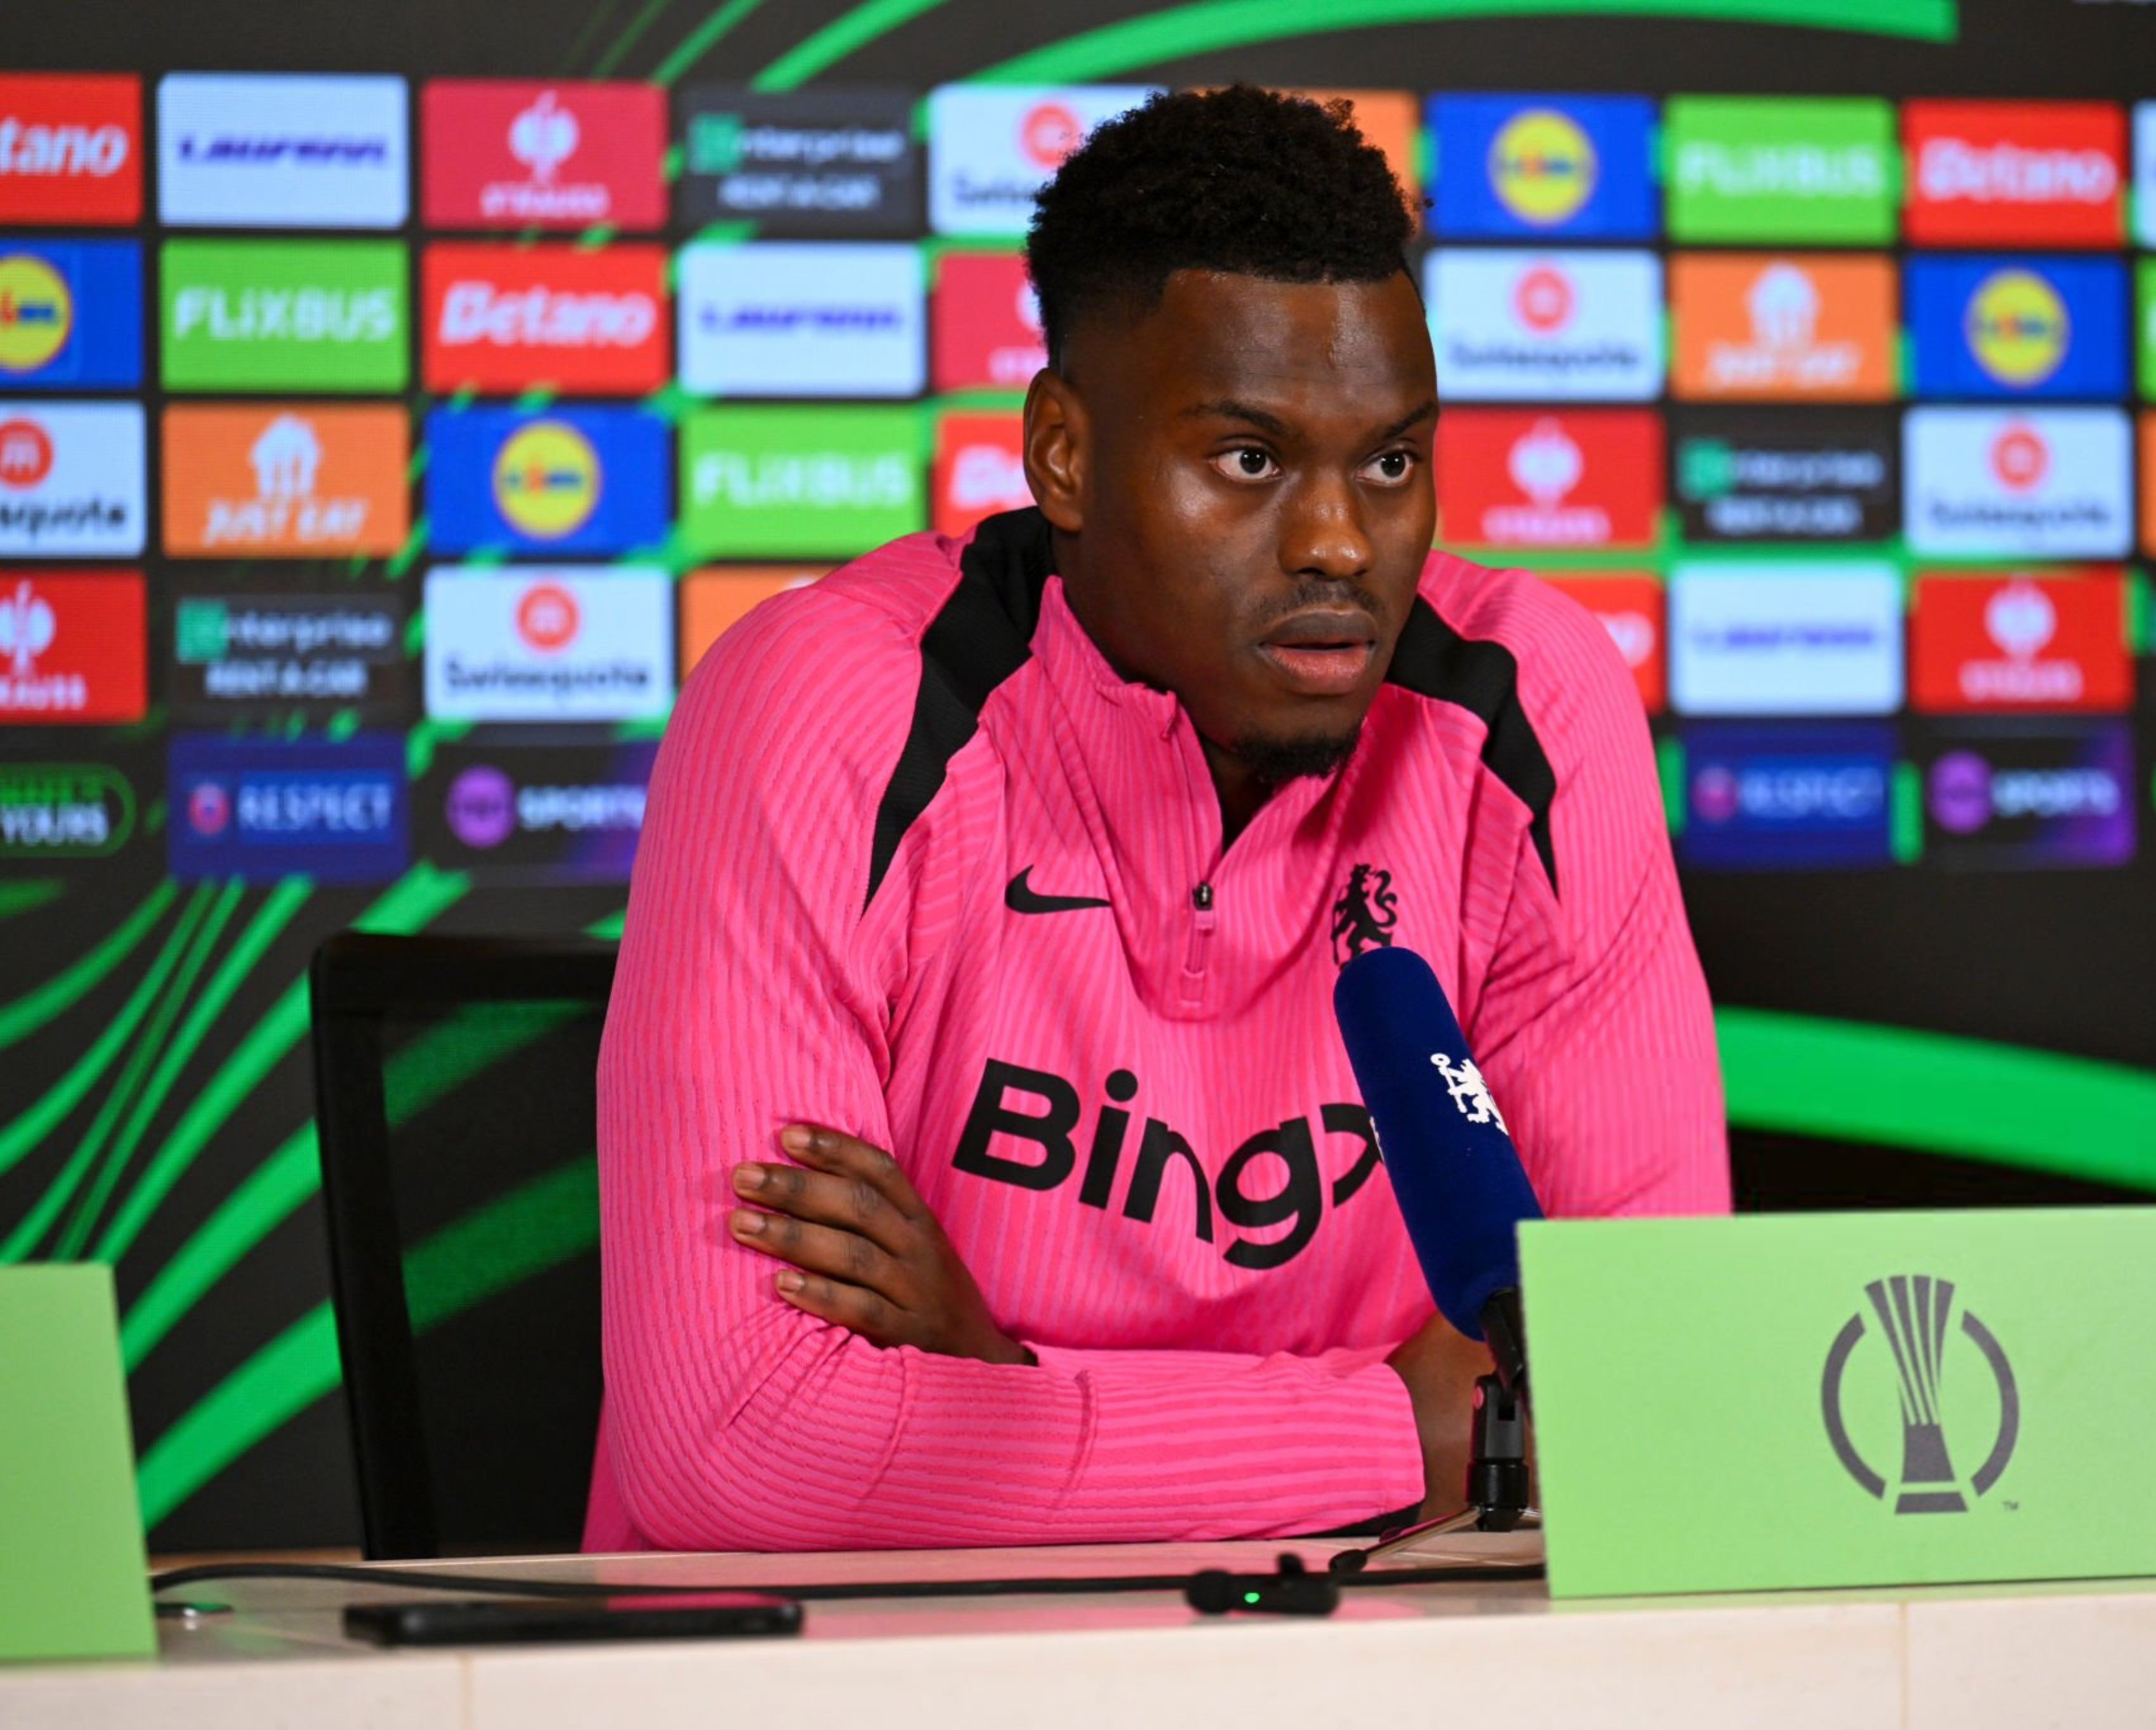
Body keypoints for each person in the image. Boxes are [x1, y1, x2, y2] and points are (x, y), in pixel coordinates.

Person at [587, 86, 1728, 1553]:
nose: (1337, 542)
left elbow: (1659, 1396)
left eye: (1389, 460)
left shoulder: (1521, 709)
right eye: (1247, 460)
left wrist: (997, 1379)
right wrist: (1410, 1428)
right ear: (1062, 454)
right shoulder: (835, 708)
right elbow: (736, 1453)